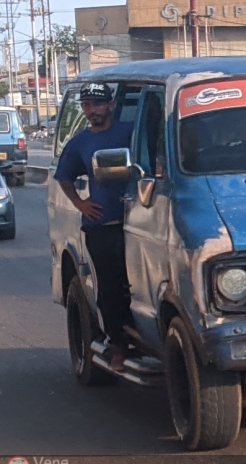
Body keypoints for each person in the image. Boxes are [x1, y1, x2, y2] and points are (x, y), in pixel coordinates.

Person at [54, 82, 134, 372]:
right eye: (87, 105)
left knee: (137, 286)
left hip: (138, 223)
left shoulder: (129, 133)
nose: (92, 110)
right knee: (110, 288)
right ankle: (118, 346)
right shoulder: (80, 143)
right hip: (101, 226)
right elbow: (63, 176)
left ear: (111, 105)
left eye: (97, 104)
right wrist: (80, 204)